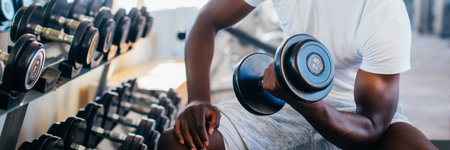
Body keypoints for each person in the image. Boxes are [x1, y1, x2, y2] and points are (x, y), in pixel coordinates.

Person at [158, 0, 438, 149]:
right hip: (287, 108)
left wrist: (302, 100)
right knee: (179, 143)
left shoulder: (383, 10)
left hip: (355, 115)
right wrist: (197, 99)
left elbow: (370, 127)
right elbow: (206, 20)